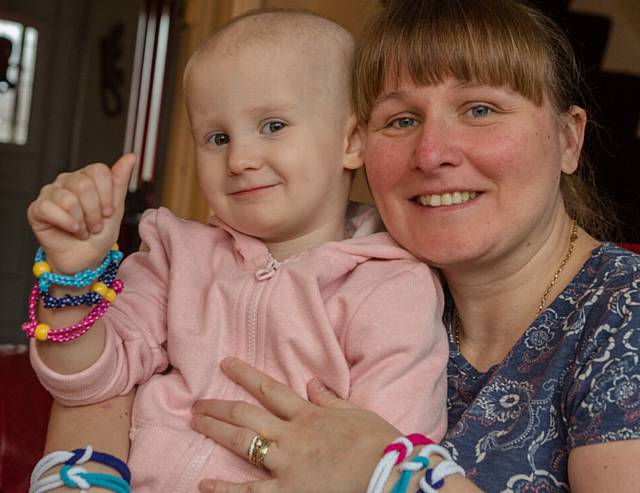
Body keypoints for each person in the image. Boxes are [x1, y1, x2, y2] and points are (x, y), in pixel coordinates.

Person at [182, 0, 640, 492]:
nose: (431, 153)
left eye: (479, 109)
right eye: (400, 120)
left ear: (569, 139)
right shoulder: (355, 275)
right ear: (356, 144)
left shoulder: (624, 313)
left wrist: (390, 476)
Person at [26, 8, 449, 491]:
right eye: (217, 137)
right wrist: (72, 273)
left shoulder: (392, 288)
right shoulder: (173, 255)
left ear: (351, 141)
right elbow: (86, 381)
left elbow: (387, 458)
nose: (240, 159)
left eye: (273, 125)